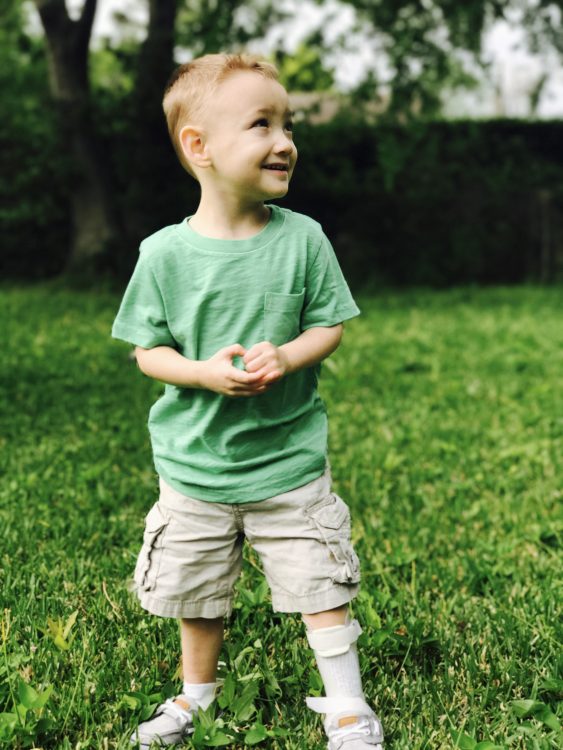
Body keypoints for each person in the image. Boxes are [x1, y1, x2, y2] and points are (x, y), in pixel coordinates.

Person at [111, 51, 384, 750]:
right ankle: (194, 696)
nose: (285, 140)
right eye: (261, 123)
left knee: (320, 584)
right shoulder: (163, 254)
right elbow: (148, 351)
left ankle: (348, 708)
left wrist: (288, 353)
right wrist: (201, 372)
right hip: (195, 468)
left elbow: (329, 327)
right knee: (198, 597)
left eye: (287, 124)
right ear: (197, 146)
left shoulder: (302, 241)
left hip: (287, 463)